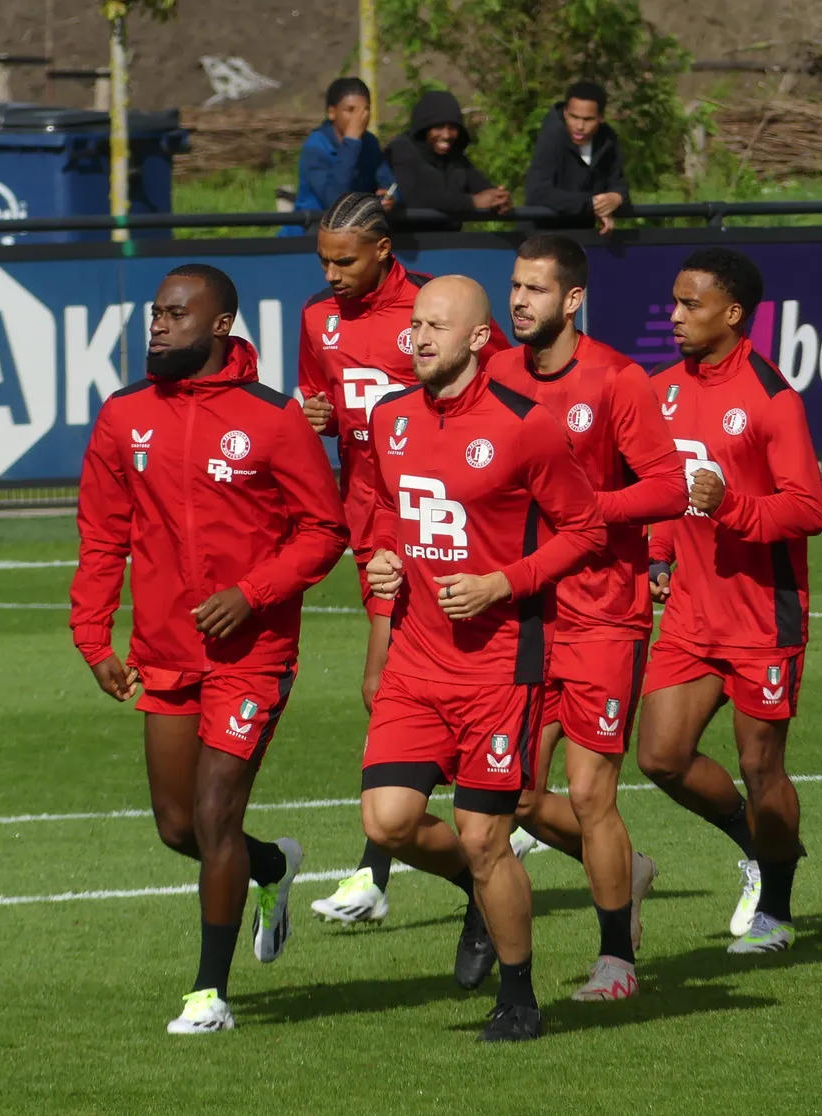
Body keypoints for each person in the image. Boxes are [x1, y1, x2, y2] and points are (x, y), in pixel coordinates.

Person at [70, 264, 350, 1033]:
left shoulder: (272, 418)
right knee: (177, 826)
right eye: (155, 313)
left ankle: (209, 995)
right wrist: (93, 636)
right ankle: (273, 866)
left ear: (221, 324)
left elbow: (324, 531)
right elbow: (102, 536)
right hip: (165, 654)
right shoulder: (125, 416)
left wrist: (252, 594)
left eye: (177, 314)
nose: (158, 325)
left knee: (217, 812)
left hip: (252, 657)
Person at [361, 275, 608, 1041]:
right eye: (414, 325)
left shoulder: (526, 425)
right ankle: (479, 892)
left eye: (437, 326)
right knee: (389, 822)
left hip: (499, 667)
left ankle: (520, 996)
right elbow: (392, 518)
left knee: (483, 836)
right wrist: (382, 563)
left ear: (477, 338)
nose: (419, 338)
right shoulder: (389, 419)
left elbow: (586, 531)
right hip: (415, 661)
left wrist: (506, 581)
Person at [298, 193, 511, 926]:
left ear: (384, 250)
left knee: (386, 677)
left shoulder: (431, 313)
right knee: (385, 682)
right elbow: (318, 398)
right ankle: (397, 858)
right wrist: (313, 415)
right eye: (323, 260)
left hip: (441, 522)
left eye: (345, 260)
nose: (331, 274)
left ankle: (378, 864)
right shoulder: (317, 320)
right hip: (374, 518)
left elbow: (502, 389)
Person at [484, 234, 687, 999]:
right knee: (519, 793)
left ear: (572, 300)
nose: (520, 301)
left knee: (592, 791)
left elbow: (667, 487)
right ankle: (627, 873)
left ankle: (617, 963)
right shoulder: (498, 373)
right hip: (526, 614)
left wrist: (586, 511)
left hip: (603, 612)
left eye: (536, 289)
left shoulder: (616, 380)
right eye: (514, 287)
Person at [639, 248, 822, 953]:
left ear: (733, 314)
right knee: (659, 757)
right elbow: (664, 484)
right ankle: (760, 846)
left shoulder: (772, 397)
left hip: (760, 614)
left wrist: (732, 507)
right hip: (691, 610)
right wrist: (659, 553)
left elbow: (808, 509)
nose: (676, 315)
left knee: (760, 766)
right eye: (676, 302)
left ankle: (776, 910)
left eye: (691, 305)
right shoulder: (663, 390)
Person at [384, 90, 512, 219]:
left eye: (453, 128)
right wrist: (472, 202)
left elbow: (483, 190)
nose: (447, 135)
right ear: (424, 129)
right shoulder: (401, 150)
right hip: (408, 237)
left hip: (449, 237)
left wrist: (499, 198)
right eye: (438, 127)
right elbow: (414, 197)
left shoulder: (455, 157)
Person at [289, 78, 395, 234]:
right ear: (332, 112)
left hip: (357, 230)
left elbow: (387, 180)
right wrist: (351, 141)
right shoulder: (315, 147)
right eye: (350, 110)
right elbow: (334, 201)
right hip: (313, 232)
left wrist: (390, 197)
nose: (359, 118)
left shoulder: (369, 142)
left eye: (364, 110)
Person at [524, 81, 630, 236]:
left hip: (583, 236)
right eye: (574, 117)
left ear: (601, 117)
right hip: (541, 236)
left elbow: (618, 183)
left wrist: (616, 198)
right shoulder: (552, 136)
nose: (579, 126)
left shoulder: (608, 140)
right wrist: (590, 204)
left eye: (588, 119)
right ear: (566, 113)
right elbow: (537, 192)